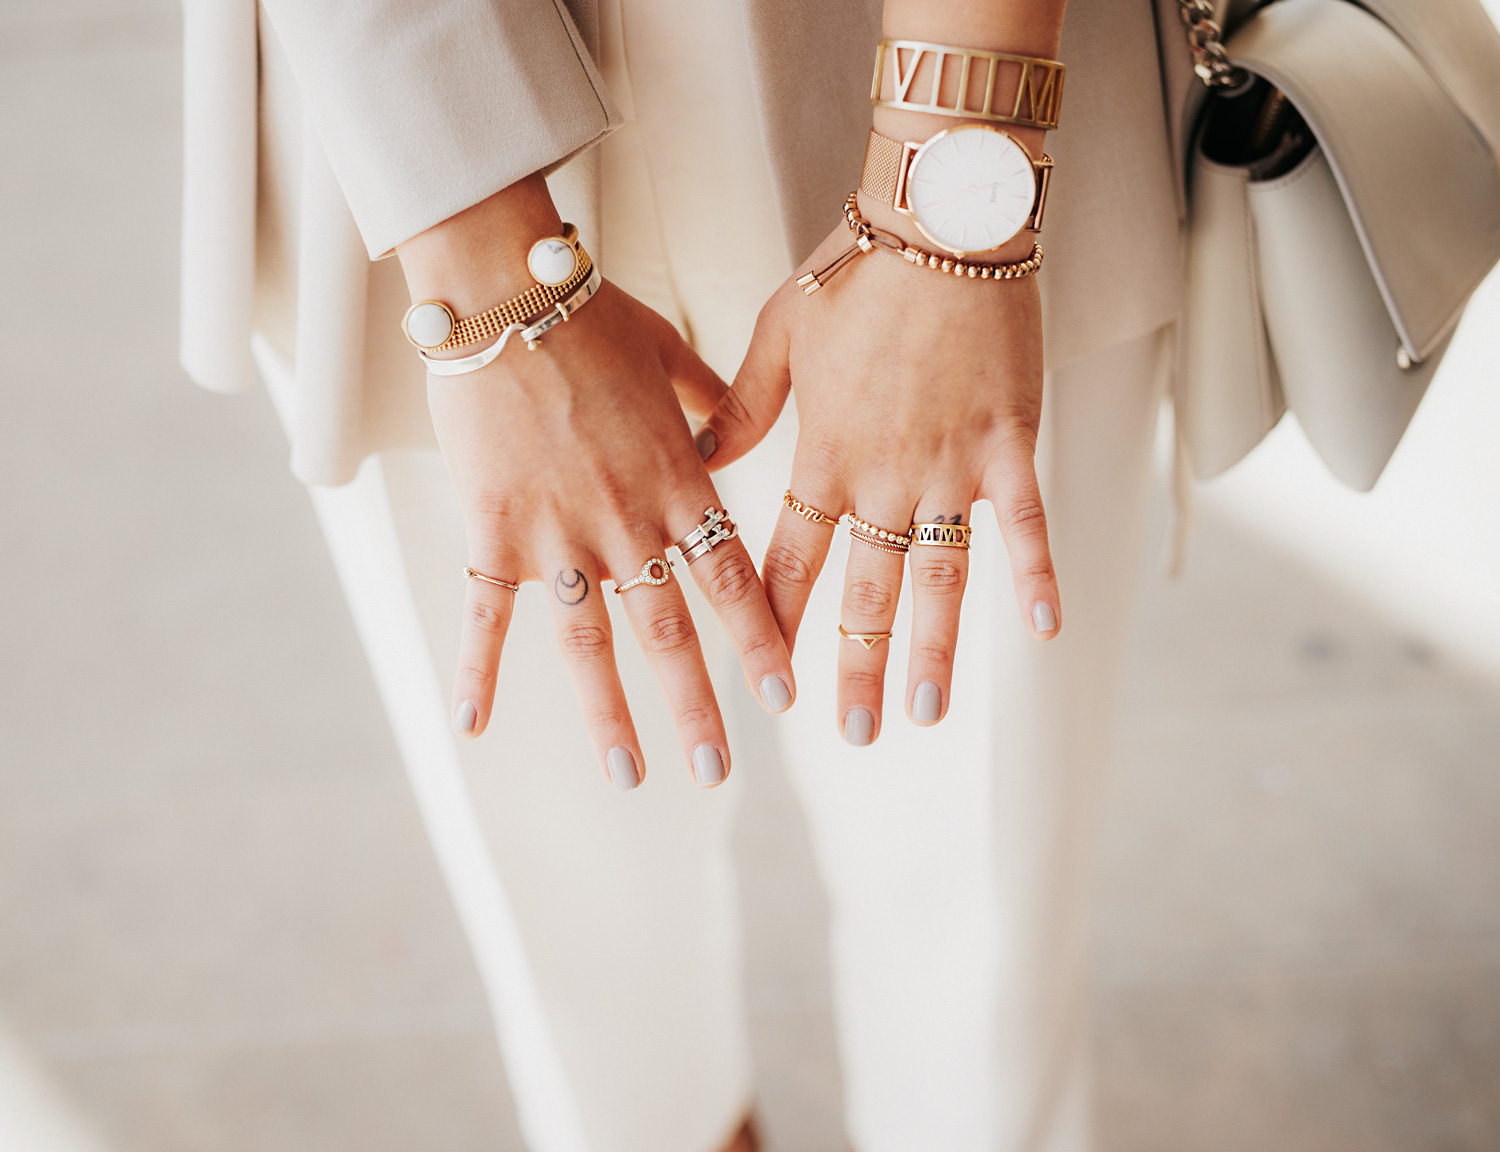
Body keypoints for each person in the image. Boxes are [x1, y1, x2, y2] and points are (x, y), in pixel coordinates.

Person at [179, 1, 1187, 1149]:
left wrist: (959, 172)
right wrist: (470, 248)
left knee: (983, 955)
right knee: (590, 979)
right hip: (403, 130)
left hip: (964, 65)